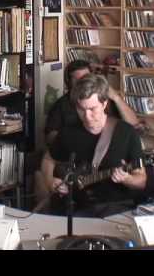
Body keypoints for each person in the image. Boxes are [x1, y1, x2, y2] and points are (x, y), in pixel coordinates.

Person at [36, 74, 147, 217]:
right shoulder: (68, 133)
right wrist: (50, 181)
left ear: (104, 104)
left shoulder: (126, 133)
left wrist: (127, 179)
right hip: (75, 206)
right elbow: (48, 160)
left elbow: (141, 181)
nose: (87, 116)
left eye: (93, 109)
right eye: (81, 110)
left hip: (115, 208)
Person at [44, 60, 139, 146]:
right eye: (77, 80)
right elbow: (50, 138)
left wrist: (116, 98)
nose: (83, 83)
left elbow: (133, 123)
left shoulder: (103, 97)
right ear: (68, 82)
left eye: (86, 78)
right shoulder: (61, 105)